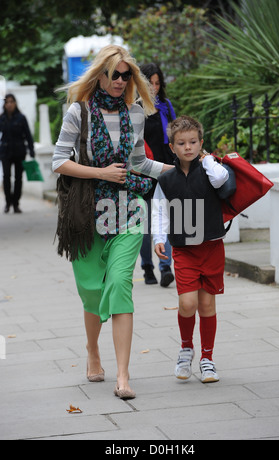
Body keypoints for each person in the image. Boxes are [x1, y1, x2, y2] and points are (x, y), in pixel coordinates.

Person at [52, 45, 173, 399]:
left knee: (120, 283)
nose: (121, 81)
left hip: (129, 209)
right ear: (100, 76)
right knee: (91, 291)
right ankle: (93, 351)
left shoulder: (136, 113)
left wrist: (183, 167)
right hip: (87, 212)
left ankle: (122, 375)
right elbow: (59, 161)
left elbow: (139, 163)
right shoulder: (79, 112)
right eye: (115, 74)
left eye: (126, 75)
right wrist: (100, 172)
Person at [152, 116, 229, 383]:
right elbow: (160, 211)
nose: (188, 147)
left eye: (193, 142)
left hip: (211, 246)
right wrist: (158, 238)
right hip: (184, 249)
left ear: (200, 143)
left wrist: (208, 159)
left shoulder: (211, 170)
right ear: (172, 147)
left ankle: (207, 358)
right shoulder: (167, 179)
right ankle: (186, 348)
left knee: (207, 304)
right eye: (182, 143)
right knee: (187, 303)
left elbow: (221, 179)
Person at [139, 63, 176, 287]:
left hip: (167, 171)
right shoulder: (134, 109)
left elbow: (176, 137)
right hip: (144, 173)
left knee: (165, 222)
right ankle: (147, 267)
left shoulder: (166, 106)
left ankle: (165, 267)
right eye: (149, 83)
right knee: (145, 225)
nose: (153, 87)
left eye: (157, 82)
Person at [0, 94, 35, 213]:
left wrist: (31, 150)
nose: (9, 104)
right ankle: (8, 202)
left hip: (19, 151)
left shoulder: (21, 117)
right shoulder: (2, 118)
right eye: (7, 102)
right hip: (5, 152)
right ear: (4, 105)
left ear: (15, 103)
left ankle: (16, 203)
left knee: (18, 178)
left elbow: (28, 135)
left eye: (11, 102)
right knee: (6, 177)